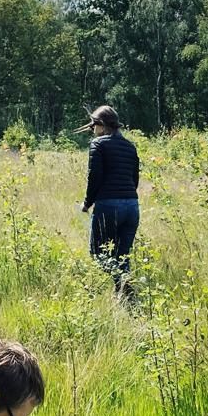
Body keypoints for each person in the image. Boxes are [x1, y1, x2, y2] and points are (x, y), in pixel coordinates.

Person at [79, 105, 140, 294]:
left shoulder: (98, 144)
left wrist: (87, 203)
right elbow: (134, 180)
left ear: (102, 125)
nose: (92, 129)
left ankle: (117, 289)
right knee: (122, 256)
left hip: (108, 206)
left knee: (98, 253)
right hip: (132, 207)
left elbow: (94, 177)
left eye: (93, 125)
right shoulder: (130, 147)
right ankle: (124, 293)